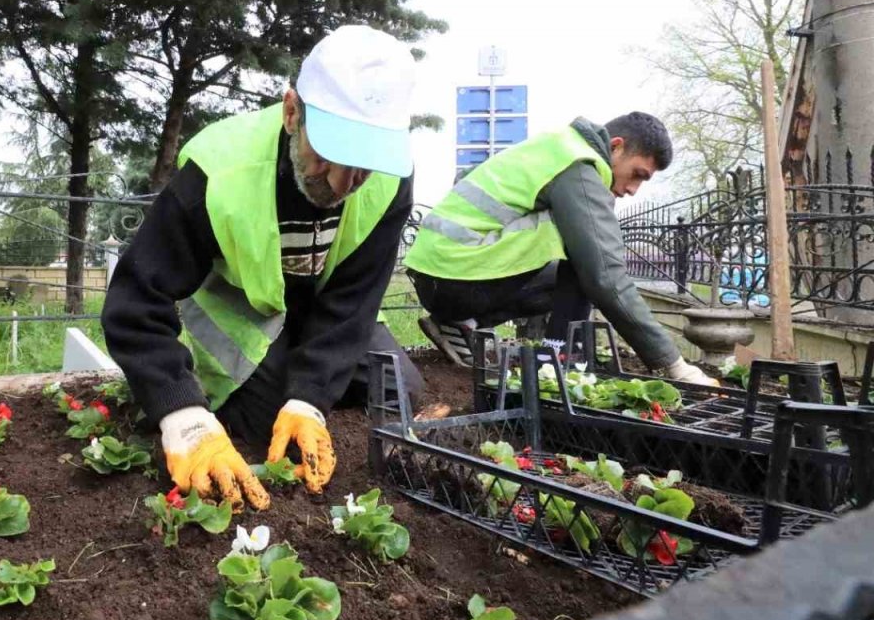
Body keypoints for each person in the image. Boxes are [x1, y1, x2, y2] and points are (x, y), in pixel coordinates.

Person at [101, 25, 424, 512]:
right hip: (243, 310)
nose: (342, 184)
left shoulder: (390, 182)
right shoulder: (217, 171)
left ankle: (292, 381)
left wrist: (309, 400)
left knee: (400, 386)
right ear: (292, 112)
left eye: (364, 165)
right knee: (262, 421)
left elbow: (355, 299)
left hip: (317, 307)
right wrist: (182, 415)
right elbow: (134, 303)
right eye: (331, 155)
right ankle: (255, 388)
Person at [405, 112, 718, 387]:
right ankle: (558, 360)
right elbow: (606, 276)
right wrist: (674, 365)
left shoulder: (556, 146)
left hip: (437, 276)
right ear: (616, 146)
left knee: (582, 250)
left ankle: (458, 323)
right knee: (586, 256)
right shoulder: (579, 165)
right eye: (638, 174)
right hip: (455, 278)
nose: (633, 190)